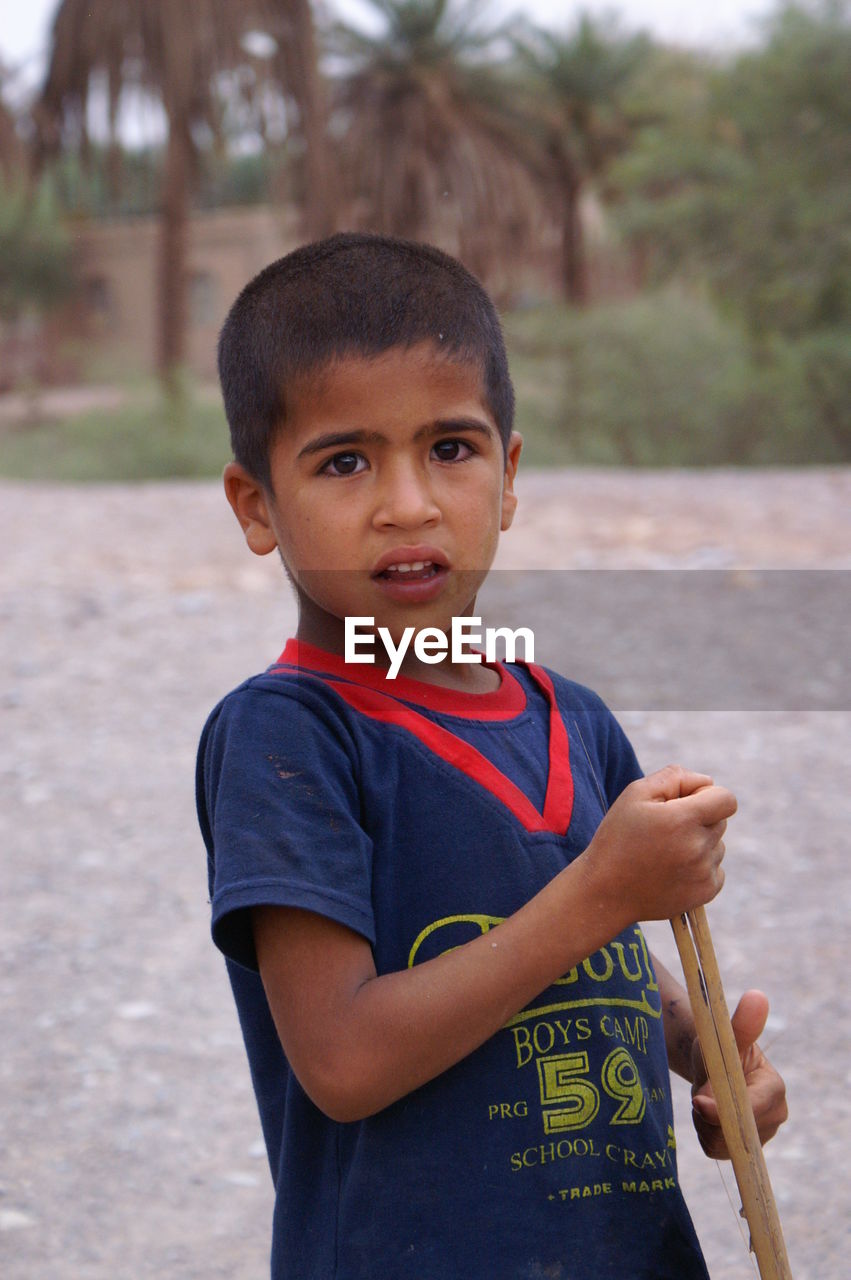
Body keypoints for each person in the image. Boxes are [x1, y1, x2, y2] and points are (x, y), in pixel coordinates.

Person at [196, 232, 787, 1280]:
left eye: (451, 449)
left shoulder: (572, 716)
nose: (408, 503)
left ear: (507, 477)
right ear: (256, 504)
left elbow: (582, 952)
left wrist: (700, 1048)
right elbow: (340, 1059)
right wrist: (604, 888)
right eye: (344, 460)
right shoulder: (289, 734)